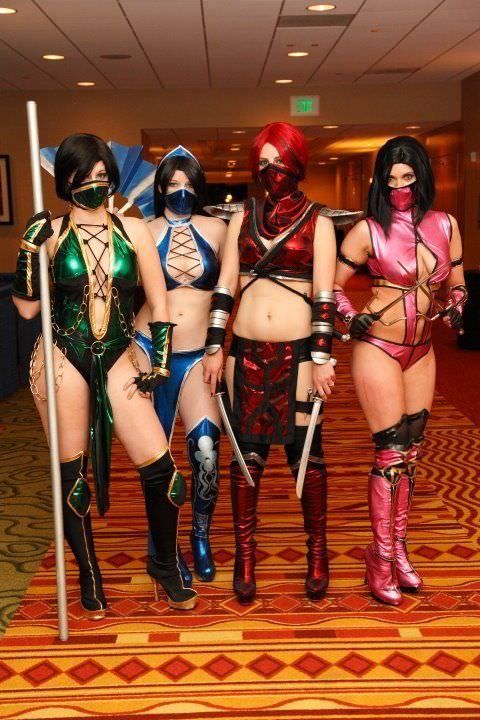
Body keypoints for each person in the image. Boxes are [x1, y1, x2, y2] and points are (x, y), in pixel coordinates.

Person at [12, 133, 198, 616]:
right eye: (84, 175)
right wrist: (28, 248)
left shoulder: (133, 229)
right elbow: (27, 308)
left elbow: (158, 301)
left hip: (119, 355)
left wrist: (161, 360)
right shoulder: (51, 232)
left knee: (165, 475)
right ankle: (89, 573)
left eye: (101, 174)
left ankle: (164, 563)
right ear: (66, 180)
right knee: (74, 480)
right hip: (62, 355)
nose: (95, 183)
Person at [202, 122, 337, 604]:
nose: (271, 169)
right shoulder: (242, 217)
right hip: (245, 352)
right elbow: (226, 285)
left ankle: (317, 553)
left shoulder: (320, 221)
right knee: (246, 458)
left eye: (279, 160)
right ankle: (245, 557)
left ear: (297, 163)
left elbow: (324, 294)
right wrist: (214, 346)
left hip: (299, 355)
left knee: (307, 455)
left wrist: (322, 358)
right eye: (263, 162)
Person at [333, 136, 467, 606]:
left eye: (407, 178)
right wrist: (350, 316)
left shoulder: (445, 225)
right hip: (379, 348)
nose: (399, 188)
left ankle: (398, 549)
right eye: (390, 180)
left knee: (412, 454)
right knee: (390, 454)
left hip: (422, 351)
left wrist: (457, 305)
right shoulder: (367, 230)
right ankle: (382, 557)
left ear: (422, 176)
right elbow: (331, 286)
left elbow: (457, 283)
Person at [135, 146, 226, 584]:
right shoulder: (142, 230)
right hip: (148, 348)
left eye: (189, 183)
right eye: (173, 183)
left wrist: (221, 345)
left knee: (206, 452)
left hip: (199, 354)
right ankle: (163, 546)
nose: (181, 190)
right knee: (157, 458)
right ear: (160, 187)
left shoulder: (218, 228)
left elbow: (234, 287)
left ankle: (200, 535)